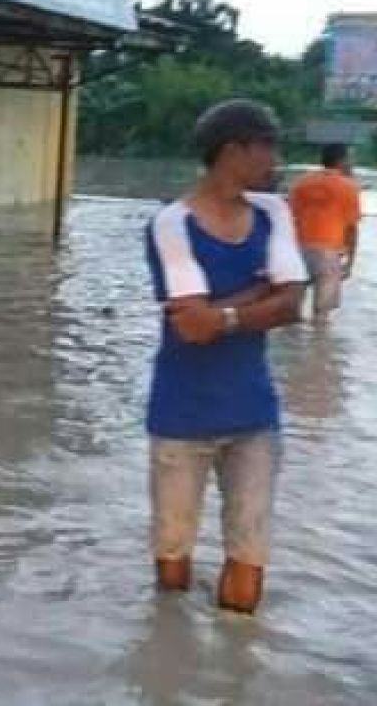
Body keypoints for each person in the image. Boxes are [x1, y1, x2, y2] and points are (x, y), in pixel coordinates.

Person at [145, 99, 307, 614]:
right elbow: (192, 328)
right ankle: (172, 659)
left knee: (250, 551)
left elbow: (292, 305)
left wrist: (225, 314)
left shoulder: (274, 211)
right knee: (172, 555)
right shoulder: (171, 223)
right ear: (234, 150)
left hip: (254, 415)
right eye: (268, 147)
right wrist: (257, 296)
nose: (275, 160)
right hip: (180, 414)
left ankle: (235, 676)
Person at [288, 144, 361, 322]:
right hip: (328, 251)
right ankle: (317, 348)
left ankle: (292, 346)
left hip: (298, 249)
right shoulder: (348, 187)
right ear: (341, 161)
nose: (353, 162)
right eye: (350, 158)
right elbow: (351, 228)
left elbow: (290, 218)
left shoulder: (301, 183)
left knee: (292, 313)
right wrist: (350, 262)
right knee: (321, 317)